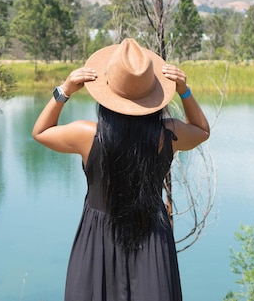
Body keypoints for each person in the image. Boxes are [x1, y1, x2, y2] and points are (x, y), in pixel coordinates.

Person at [32, 38, 210, 301]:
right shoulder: (168, 133)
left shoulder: (88, 135)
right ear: (153, 95)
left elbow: (41, 131)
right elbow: (202, 131)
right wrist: (184, 91)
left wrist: (64, 90)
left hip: (97, 241)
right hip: (151, 239)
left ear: (107, 93)